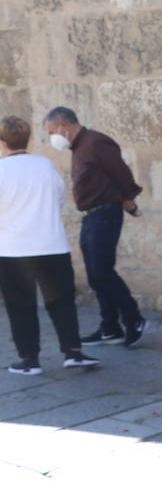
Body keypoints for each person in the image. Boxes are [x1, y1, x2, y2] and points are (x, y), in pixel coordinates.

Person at [0, 116, 101, 375]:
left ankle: (29, 360)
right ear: (29, 138)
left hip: (13, 249)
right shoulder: (46, 166)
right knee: (62, 301)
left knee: (20, 305)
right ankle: (73, 352)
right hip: (52, 243)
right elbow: (58, 200)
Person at [42, 106, 148, 349]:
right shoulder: (79, 146)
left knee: (102, 273)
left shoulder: (95, 142)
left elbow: (120, 173)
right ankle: (110, 328)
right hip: (91, 216)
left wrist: (129, 199)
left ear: (63, 126)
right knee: (95, 275)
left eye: (51, 131)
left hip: (105, 214)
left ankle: (134, 320)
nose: (52, 137)